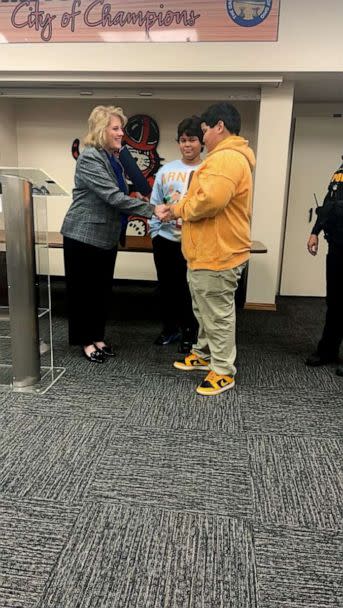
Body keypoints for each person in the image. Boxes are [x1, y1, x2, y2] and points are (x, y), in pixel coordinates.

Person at [155, 102, 255, 395]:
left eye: (205, 130)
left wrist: (176, 210)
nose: (204, 136)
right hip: (206, 252)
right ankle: (204, 354)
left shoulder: (226, 159)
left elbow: (209, 201)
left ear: (219, 127)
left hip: (218, 253)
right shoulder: (223, 158)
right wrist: (183, 207)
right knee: (204, 309)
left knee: (217, 314)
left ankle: (223, 370)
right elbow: (202, 197)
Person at [61, 105, 155, 363]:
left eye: (121, 128)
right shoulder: (90, 157)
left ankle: (98, 337)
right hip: (83, 234)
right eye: (115, 128)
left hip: (105, 236)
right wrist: (154, 210)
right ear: (101, 130)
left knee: (101, 291)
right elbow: (114, 197)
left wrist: (147, 194)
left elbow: (122, 192)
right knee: (84, 293)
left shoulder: (112, 158)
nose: (121, 133)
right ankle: (86, 342)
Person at [149, 116, 203, 352]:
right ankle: (170, 329)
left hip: (195, 242)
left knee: (190, 290)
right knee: (167, 287)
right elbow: (154, 203)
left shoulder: (208, 170)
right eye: (182, 140)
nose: (187, 145)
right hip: (166, 240)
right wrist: (154, 233)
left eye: (192, 140)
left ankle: (190, 332)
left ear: (202, 142)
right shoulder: (166, 170)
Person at [306, 158, 343, 376]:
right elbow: (329, 205)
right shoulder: (339, 171)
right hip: (337, 244)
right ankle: (327, 350)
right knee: (334, 300)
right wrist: (315, 231)